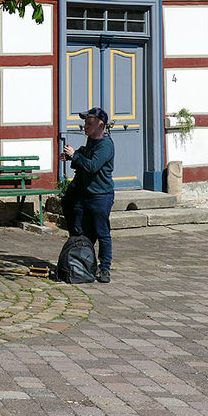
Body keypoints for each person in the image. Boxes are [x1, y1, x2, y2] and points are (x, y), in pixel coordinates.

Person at [62, 107, 115, 284]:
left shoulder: (106, 145)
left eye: (89, 123)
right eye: (85, 122)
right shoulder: (91, 141)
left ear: (101, 125)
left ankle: (105, 268)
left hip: (101, 195)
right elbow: (84, 160)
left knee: (102, 232)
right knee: (80, 229)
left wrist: (75, 156)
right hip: (84, 194)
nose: (85, 126)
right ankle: (83, 262)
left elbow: (92, 166)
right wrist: (73, 156)